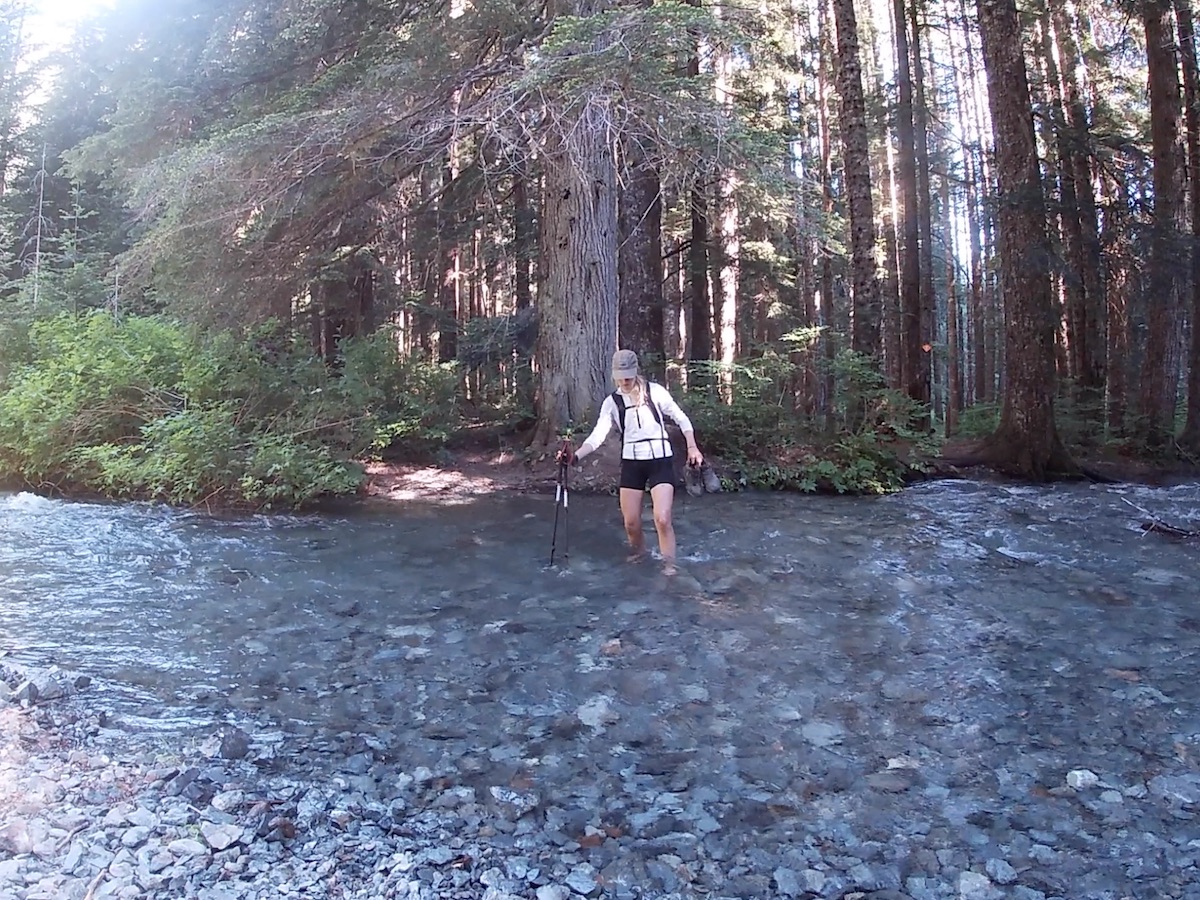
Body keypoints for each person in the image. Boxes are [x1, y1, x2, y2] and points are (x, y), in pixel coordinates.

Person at [558, 349, 704, 576]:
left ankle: (669, 566)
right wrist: (575, 456)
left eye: (628, 374)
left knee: (662, 518)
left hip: (660, 460)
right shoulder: (612, 402)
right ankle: (640, 556)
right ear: (614, 374)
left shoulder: (655, 393)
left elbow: (681, 418)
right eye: (620, 375)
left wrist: (692, 446)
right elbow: (598, 436)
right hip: (632, 464)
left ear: (635, 371)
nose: (625, 380)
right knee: (631, 523)